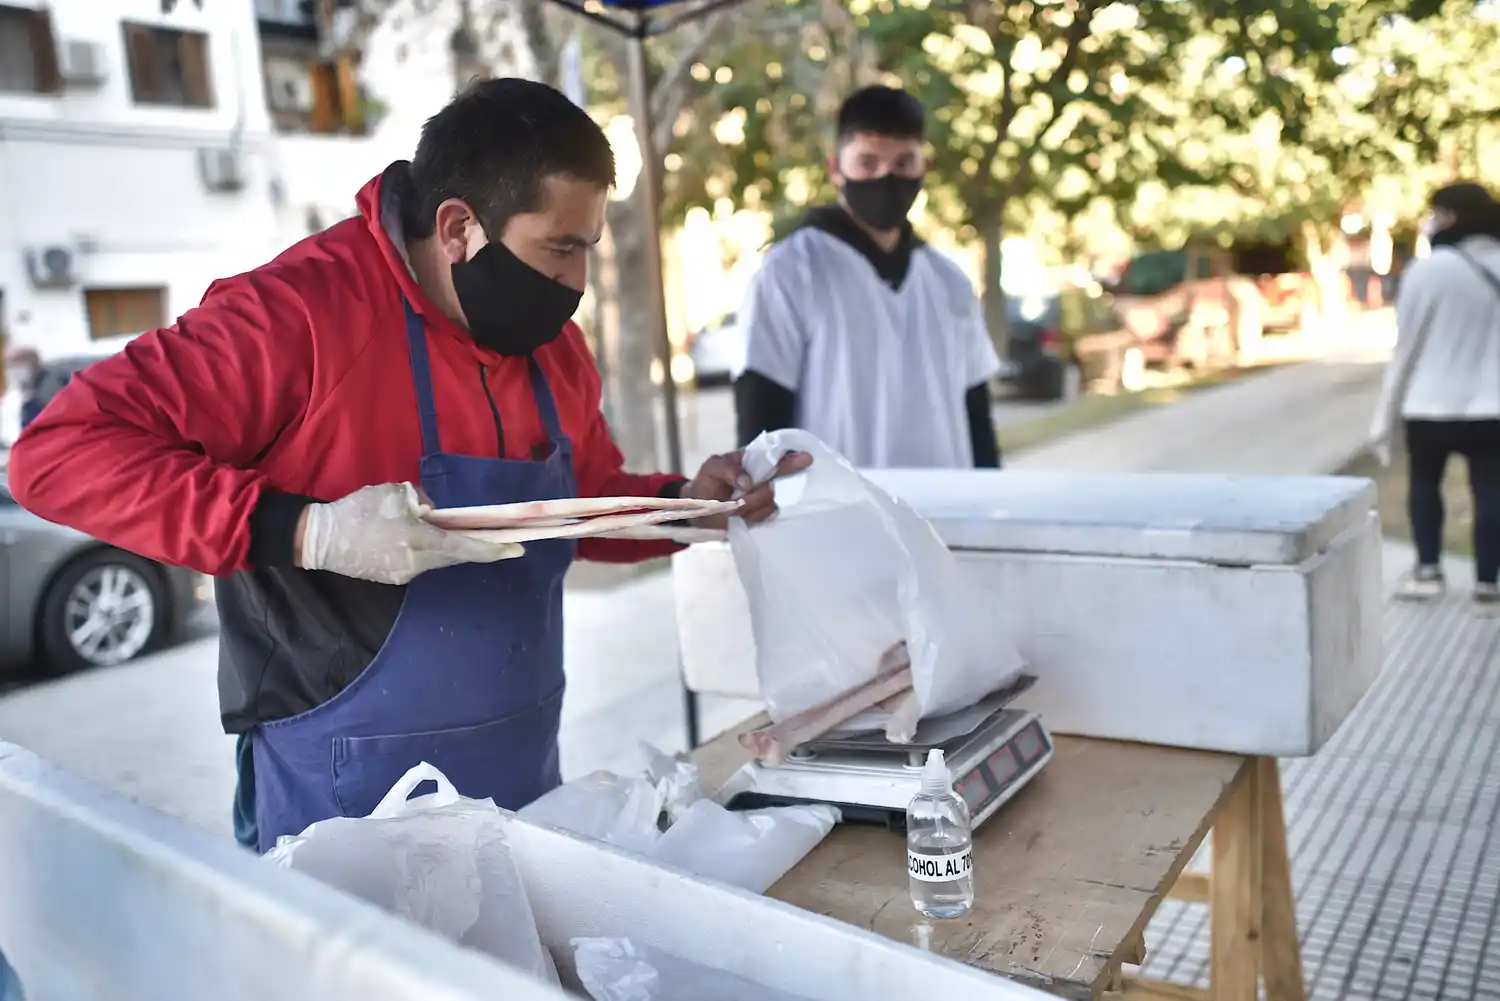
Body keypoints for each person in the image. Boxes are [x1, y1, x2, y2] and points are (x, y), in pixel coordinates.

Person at [6, 78, 807, 853]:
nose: (578, 282)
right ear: (459, 227)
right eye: (560, 248)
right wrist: (307, 529)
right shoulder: (295, 314)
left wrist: (680, 505)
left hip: (523, 771)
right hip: (340, 792)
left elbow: (580, 499)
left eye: (589, 248)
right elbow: (56, 451)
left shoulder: (552, 348)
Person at [732, 84, 1003, 469]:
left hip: (947, 517)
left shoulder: (949, 282)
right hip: (837, 519)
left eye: (903, 164)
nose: (886, 178)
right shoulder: (791, 272)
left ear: (923, 167)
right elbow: (762, 425)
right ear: (835, 169)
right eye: (867, 162)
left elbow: (978, 420)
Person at [1369, 181, 1500, 606]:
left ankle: (1428, 571)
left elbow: (1405, 349)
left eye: (1437, 213)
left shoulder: (1426, 271)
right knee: (1492, 493)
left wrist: (1384, 420)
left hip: (1429, 405)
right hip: (1492, 407)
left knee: (1425, 486)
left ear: (1451, 216)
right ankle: (1488, 583)